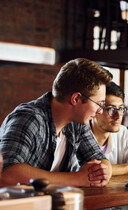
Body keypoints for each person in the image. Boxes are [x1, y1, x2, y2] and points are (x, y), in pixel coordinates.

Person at [0, 58, 113, 188]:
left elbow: (98, 158)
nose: (100, 111)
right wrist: (77, 179)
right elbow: (7, 174)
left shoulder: (78, 123)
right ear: (76, 98)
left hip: (53, 203)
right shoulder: (29, 118)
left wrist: (105, 170)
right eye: (99, 104)